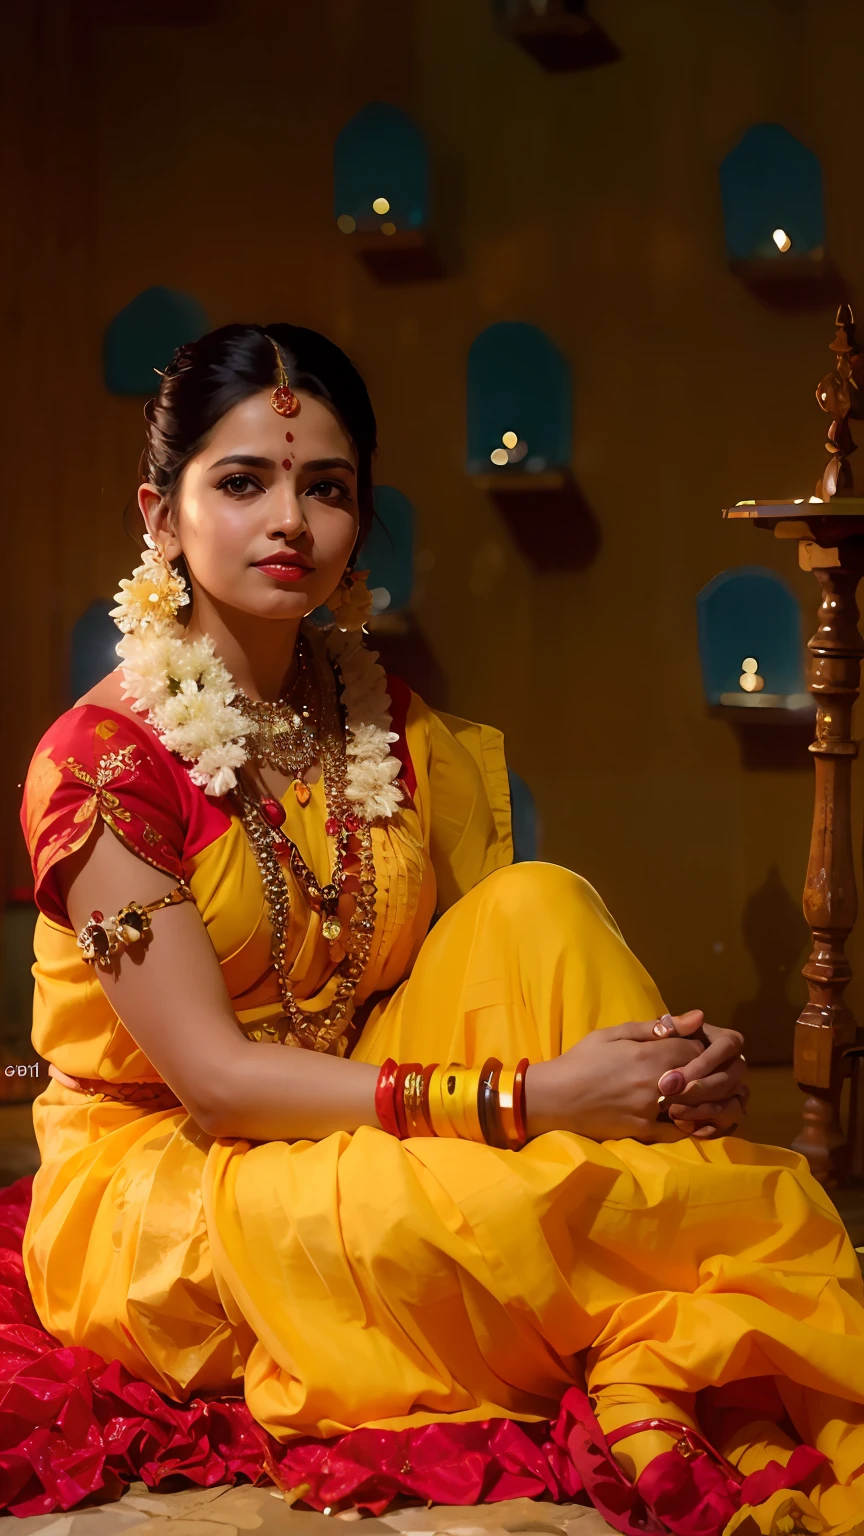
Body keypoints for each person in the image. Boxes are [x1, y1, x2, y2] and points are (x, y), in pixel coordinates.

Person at [18, 323, 864, 1536]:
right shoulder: (104, 766)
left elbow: (505, 968)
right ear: (161, 514)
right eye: (243, 481)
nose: (291, 524)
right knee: (519, 1213)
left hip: (365, 1083)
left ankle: (669, 1150)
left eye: (327, 487)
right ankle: (664, 1324)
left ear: (363, 518)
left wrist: (659, 1063)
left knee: (544, 900)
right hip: (176, 1183)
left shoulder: (387, 725)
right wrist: (532, 1100)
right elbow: (212, 1086)